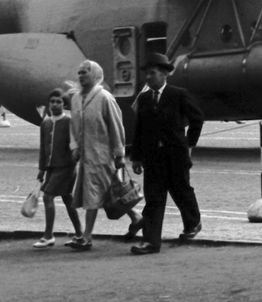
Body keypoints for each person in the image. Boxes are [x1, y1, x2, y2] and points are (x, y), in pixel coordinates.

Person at [127, 53, 204, 255]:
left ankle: (192, 224)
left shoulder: (178, 95)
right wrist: (136, 157)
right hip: (153, 158)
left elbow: (197, 118)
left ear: (163, 75)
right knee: (153, 199)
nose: (148, 77)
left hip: (176, 154)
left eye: (152, 73)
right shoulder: (143, 99)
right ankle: (151, 242)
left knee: (181, 191)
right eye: (146, 74)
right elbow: (140, 130)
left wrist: (189, 144)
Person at [65, 59, 130, 250]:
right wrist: (74, 147)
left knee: (93, 195)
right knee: (110, 194)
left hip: (102, 155)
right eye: (79, 72)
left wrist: (119, 153)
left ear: (95, 75)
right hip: (85, 157)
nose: (81, 75)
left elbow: (116, 126)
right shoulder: (76, 99)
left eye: (85, 71)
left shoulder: (105, 98)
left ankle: (86, 237)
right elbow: (73, 125)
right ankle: (137, 218)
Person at [32, 90, 81, 249]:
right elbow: (43, 148)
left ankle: (48, 236)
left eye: (58, 102)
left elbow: (75, 144)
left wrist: (75, 157)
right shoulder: (45, 123)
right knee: (68, 199)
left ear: (64, 104)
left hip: (66, 167)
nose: (54, 104)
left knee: (48, 196)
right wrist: (41, 169)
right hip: (52, 168)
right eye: (52, 101)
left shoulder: (69, 121)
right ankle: (79, 234)